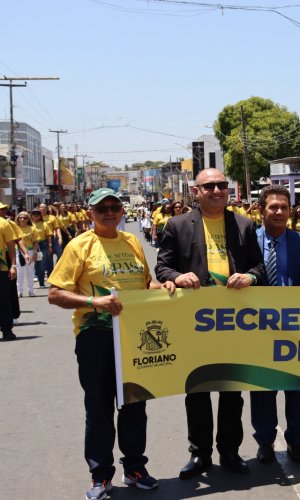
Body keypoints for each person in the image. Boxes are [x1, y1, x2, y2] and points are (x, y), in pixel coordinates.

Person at [48, 188, 175, 499]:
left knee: (133, 404)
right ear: (90, 213)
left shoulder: (131, 241)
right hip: (96, 336)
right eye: (101, 208)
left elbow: (147, 282)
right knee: (100, 407)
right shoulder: (79, 246)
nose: (108, 212)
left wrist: (162, 286)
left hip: (133, 335)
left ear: (121, 211)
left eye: (114, 207)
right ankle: (100, 475)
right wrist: (94, 301)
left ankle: (134, 468)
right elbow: (55, 293)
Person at [155, 168, 265, 479]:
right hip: (196, 323)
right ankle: (200, 453)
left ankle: (229, 451)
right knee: (198, 390)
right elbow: (162, 267)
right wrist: (177, 276)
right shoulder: (177, 225)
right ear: (196, 191)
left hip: (234, 323)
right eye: (209, 186)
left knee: (232, 390)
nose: (217, 190)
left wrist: (250, 276)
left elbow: (259, 267)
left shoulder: (244, 224)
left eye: (221, 185)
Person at [251, 185, 300, 465]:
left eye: (284, 207)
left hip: (297, 330)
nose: (279, 212)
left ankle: (296, 440)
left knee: (299, 390)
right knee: (263, 391)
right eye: (273, 207)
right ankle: (265, 442)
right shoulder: (248, 242)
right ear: (261, 210)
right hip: (258, 331)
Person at [0, 212, 17, 341]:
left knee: (4, 300)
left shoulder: (4, 223)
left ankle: (6, 329)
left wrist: (13, 266)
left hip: (1, 268)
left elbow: (11, 246)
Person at [15, 211, 39, 298]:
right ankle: (19, 291)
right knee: (20, 272)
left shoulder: (32, 228)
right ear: (18, 219)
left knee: (30, 272)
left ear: (28, 219)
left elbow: (36, 242)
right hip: (19, 252)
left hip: (30, 251)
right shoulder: (15, 228)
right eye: (20, 218)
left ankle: (31, 291)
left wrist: (35, 253)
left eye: (25, 218)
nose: (22, 219)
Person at [29, 208, 52, 288]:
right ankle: (33, 280)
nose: (36, 216)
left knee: (41, 264)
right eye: (34, 214)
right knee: (31, 264)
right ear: (31, 216)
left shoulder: (44, 224)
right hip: (30, 245)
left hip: (42, 244)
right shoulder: (29, 224)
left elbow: (48, 236)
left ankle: (41, 282)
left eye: (38, 214)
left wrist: (50, 246)